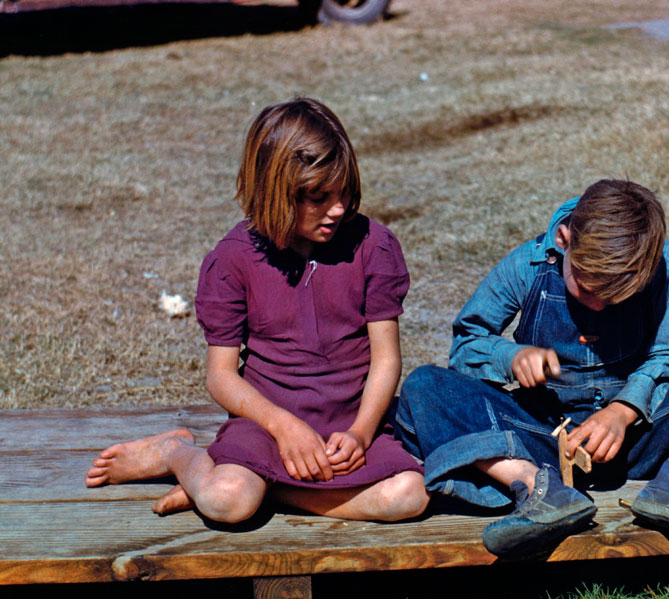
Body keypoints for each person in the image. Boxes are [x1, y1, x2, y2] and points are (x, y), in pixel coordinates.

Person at [394, 179, 669, 557]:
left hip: (644, 436)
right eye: (586, 286)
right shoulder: (526, 266)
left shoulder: (660, 261)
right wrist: (508, 358)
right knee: (425, 386)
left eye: (615, 297)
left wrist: (622, 411)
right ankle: (538, 491)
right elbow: (465, 344)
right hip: (543, 440)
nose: (597, 306)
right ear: (564, 240)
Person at [86, 98, 429, 523]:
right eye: (319, 197)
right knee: (227, 500)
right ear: (276, 192)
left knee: (409, 495)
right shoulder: (232, 260)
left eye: (343, 193)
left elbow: (386, 357)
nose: (338, 209)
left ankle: (271, 491)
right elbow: (221, 376)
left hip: (350, 423)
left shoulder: (373, 246)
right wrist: (284, 428)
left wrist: (360, 432)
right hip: (266, 425)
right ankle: (177, 453)